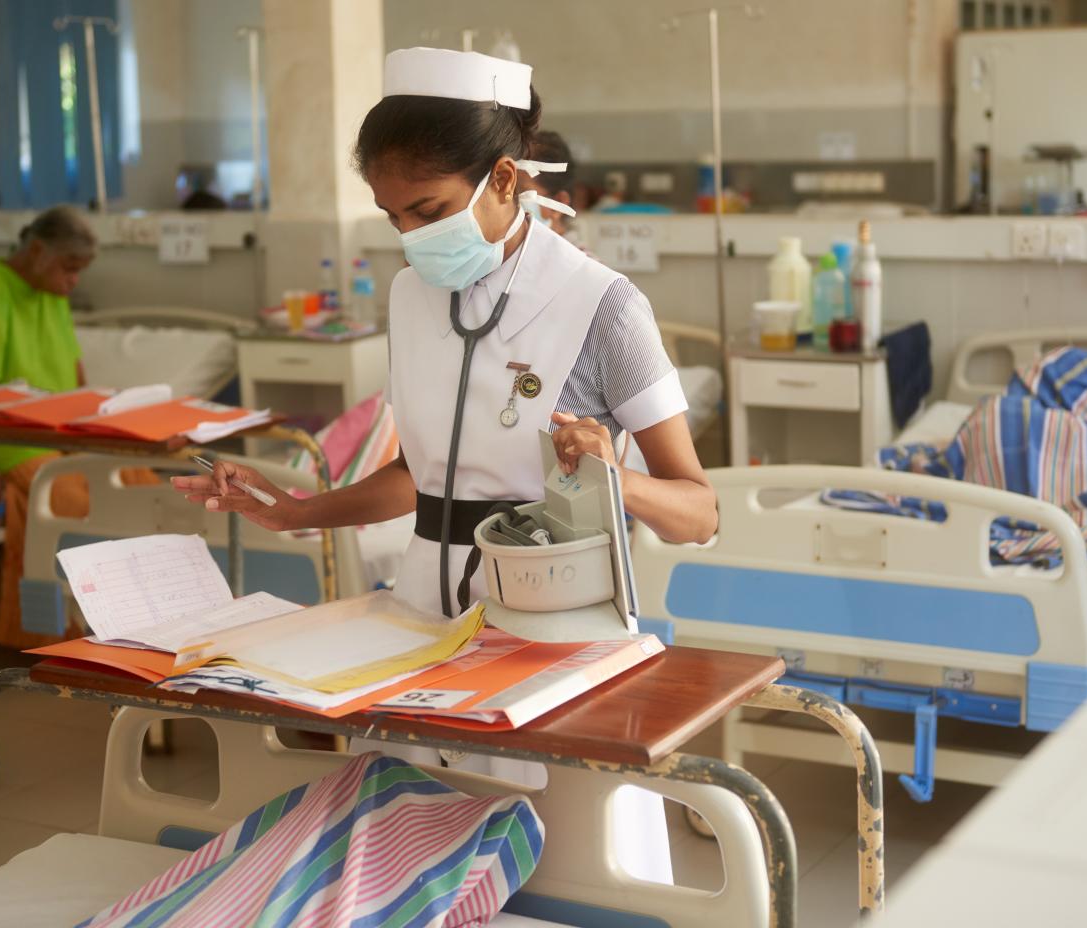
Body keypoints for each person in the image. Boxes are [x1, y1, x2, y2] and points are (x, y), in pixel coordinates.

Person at [173, 47, 715, 882]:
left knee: (562, 875)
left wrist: (617, 472)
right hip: (420, 620)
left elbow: (698, 511)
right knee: (407, 863)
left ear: (505, 178)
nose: (413, 237)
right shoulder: (409, 296)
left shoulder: (604, 308)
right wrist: (290, 510)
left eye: (428, 210)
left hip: (551, 628)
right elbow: (421, 476)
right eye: (394, 218)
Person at [0, 206, 155, 649]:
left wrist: (100, 430)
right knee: (82, 503)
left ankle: (156, 613)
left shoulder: (52, 293)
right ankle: (77, 631)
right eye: (68, 267)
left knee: (141, 483)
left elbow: (74, 370)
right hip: (15, 443)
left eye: (80, 270)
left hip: (64, 433)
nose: (73, 279)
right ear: (37, 250)